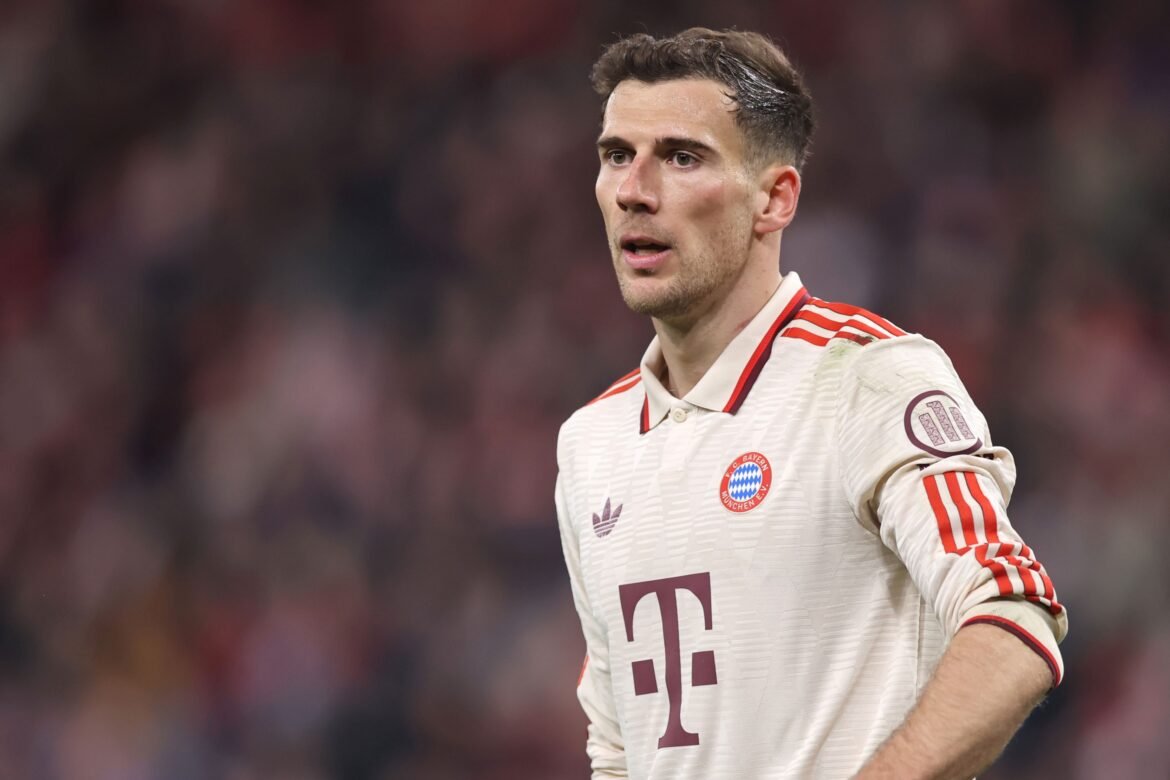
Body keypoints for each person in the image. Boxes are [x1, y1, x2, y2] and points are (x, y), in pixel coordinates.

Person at [554, 27, 1067, 780]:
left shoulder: (867, 378)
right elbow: (619, 749)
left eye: (682, 157)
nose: (635, 189)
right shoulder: (590, 444)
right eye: (617, 155)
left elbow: (1014, 614)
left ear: (775, 199)